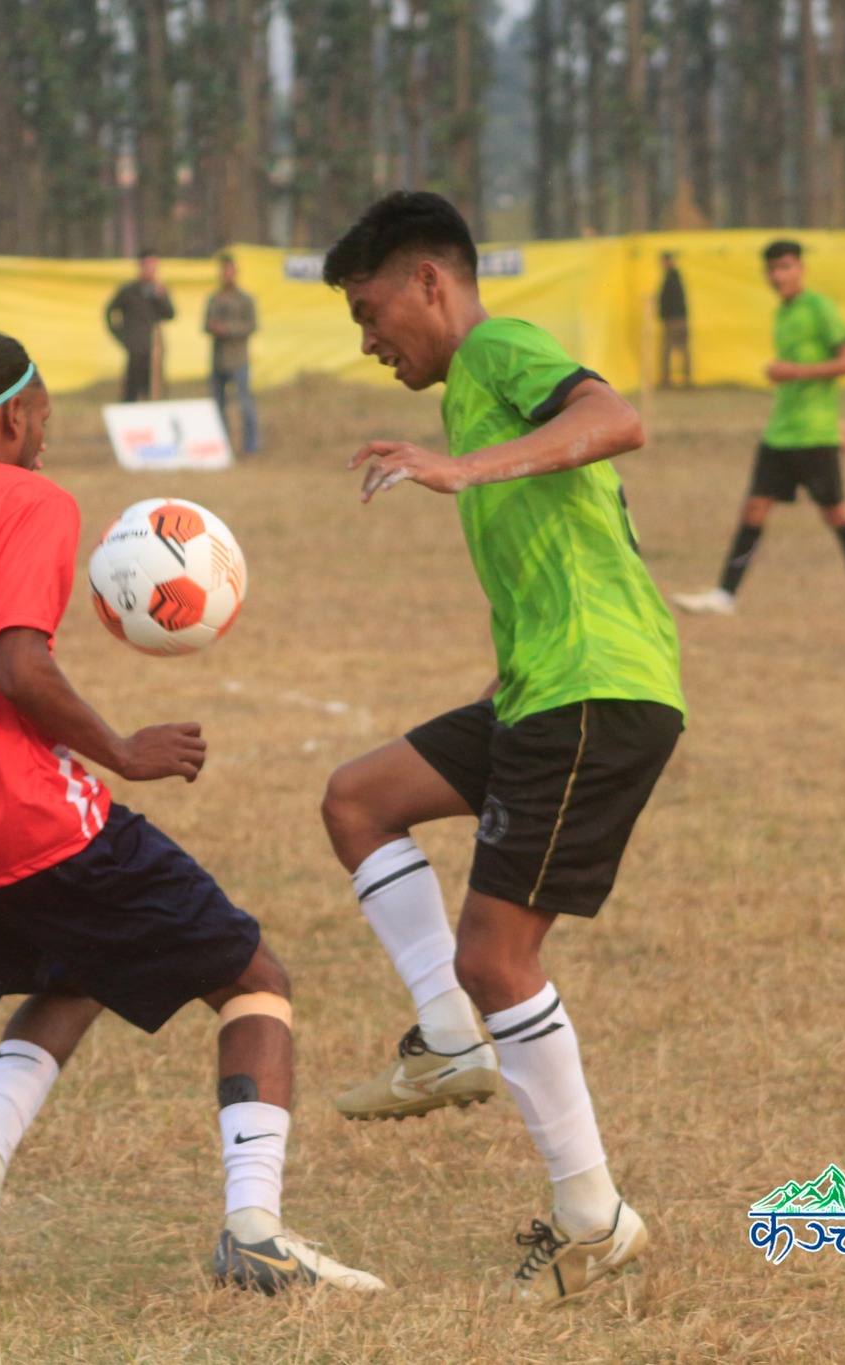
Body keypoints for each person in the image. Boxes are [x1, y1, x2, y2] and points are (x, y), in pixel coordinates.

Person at [0, 329, 382, 1295]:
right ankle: (255, 1230)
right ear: (11, 414)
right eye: (43, 418)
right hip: (27, 822)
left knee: (80, 968)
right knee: (257, 979)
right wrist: (125, 751)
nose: (46, 438)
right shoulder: (30, 500)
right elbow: (20, 666)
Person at [316, 192, 683, 1297]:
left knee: (495, 958)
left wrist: (455, 467)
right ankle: (444, 1042)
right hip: (541, 689)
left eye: (371, 309)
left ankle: (591, 1217)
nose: (366, 338)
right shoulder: (472, 389)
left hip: (594, 693)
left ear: (431, 281)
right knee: (357, 799)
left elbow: (615, 419)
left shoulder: (500, 351)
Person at [672, 240, 845, 618]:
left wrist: (796, 376)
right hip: (780, 432)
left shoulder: (819, 308)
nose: (777, 276)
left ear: (800, 268)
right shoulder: (782, 314)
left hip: (813, 436)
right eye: (771, 269)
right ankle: (724, 595)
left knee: (835, 513)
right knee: (754, 508)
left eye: (784, 267)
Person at [204, 253, 261, 455]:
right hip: (218, 361)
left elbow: (252, 325)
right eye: (223, 271)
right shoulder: (214, 299)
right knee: (217, 406)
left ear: (235, 273)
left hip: (238, 360)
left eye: (230, 271)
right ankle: (223, 446)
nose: (226, 275)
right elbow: (205, 325)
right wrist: (213, 327)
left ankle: (251, 446)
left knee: (244, 404)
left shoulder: (245, 299)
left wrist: (227, 329)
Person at [104, 250, 173, 402]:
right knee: (131, 395)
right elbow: (110, 312)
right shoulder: (129, 291)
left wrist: (160, 297)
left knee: (154, 393)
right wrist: (122, 337)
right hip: (135, 351)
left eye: (154, 267)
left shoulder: (158, 291)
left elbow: (170, 314)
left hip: (154, 351)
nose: (151, 271)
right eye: (148, 266)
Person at [657, 252, 690, 388]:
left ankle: (670, 380)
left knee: (669, 349)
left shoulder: (672, 278)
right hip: (677, 318)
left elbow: (670, 300)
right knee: (681, 350)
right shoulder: (673, 277)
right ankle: (683, 379)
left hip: (674, 319)